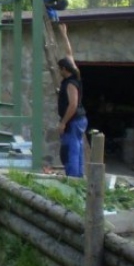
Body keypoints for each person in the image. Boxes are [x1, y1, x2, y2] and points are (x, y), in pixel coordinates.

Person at [56, 23, 88, 177]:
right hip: (79, 120)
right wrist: (64, 34)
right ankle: (79, 178)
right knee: (78, 149)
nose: (59, 71)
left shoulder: (70, 83)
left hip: (73, 121)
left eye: (60, 69)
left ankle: (73, 181)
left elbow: (73, 104)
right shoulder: (75, 73)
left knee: (70, 152)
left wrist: (63, 123)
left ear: (64, 70)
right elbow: (69, 53)